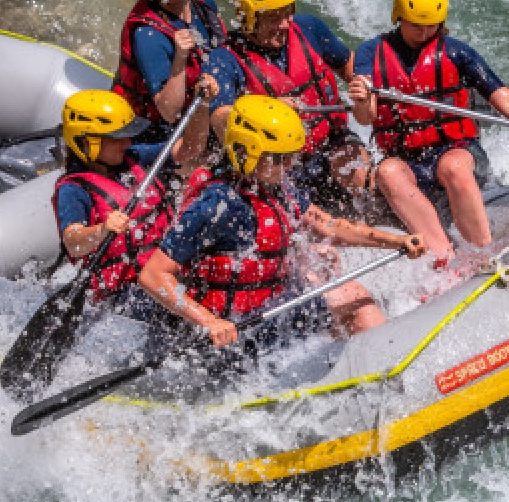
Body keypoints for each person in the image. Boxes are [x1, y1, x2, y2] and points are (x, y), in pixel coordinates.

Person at [138, 95, 425, 352]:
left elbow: (328, 225)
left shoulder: (278, 187)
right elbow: (152, 276)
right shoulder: (215, 204)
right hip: (231, 333)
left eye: (291, 156)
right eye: (279, 158)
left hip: (272, 311)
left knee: (355, 297)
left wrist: (397, 241)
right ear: (247, 151)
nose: (289, 165)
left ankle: (368, 374)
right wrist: (209, 322)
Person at [348, 0, 509, 262]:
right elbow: (365, 117)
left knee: (453, 167)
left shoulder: (458, 53)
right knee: (386, 171)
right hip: (407, 160)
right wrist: (361, 99)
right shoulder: (370, 53)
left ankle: (485, 254)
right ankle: (443, 257)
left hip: (458, 151)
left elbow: (506, 100)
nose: (424, 34)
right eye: (416, 26)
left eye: (431, 26)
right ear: (398, 15)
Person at [204, 0, 372, 213]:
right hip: (277, 163)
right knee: (310, 221)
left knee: (362, 176)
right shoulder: (224, 59)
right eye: (274, 18)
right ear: (249, 17)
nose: (285, 25)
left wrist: (363, 87)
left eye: (288, 14)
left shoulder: (309, 28)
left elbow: (349, 64)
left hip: (331, 142)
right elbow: (220, 119)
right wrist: (270, 110)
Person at [53, 81, 216, 318]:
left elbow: (190, 149)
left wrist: (202, 107)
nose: (127, 143)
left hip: (167, 269)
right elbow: (72, 242)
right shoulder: (74, 188)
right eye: (117, 138)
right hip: (126, 292)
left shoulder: (135, 157)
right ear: (86, 142)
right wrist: (101, 230)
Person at [111, 0, 227, 140]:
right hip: (156, 130)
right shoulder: (147, 36)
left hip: (199, 112)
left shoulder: (204, 6)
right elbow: (169, 112)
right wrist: (180, 58)